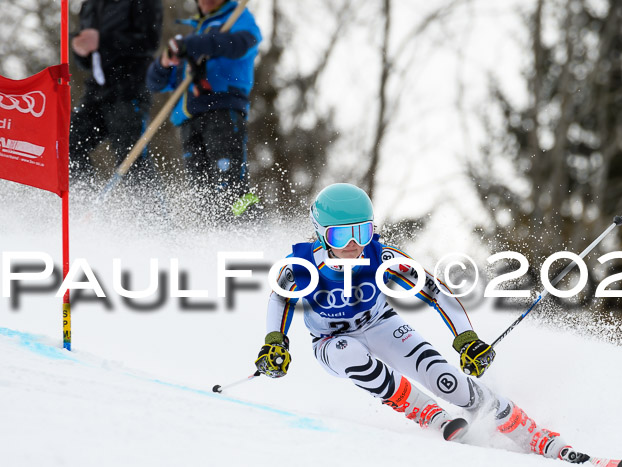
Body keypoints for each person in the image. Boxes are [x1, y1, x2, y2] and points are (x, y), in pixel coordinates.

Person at [255, 183, 594, 464]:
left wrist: (467, 339)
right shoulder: (302, 264)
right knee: (349, 353)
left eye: (362, 231)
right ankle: (428, 414)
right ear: (321, 234)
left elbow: (435, 291)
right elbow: (280, 298)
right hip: (331, 341)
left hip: (379, 325)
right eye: (342, 236)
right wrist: (275, 342)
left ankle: (534, 435)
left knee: (447, 381)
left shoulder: (381, 256)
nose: (354, 244)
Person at [146, 0, 262, 218]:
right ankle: (212, 240)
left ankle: (250, 230)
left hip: (222, 112)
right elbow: (156, 83)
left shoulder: (238, 17)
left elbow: (241, 44)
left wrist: (196, 44)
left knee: (229, 186)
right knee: (203, 194)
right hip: (189, 121)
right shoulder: (195, 32)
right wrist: (165, 62)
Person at [70, 0, 163, 183]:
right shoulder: (89, 5)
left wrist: (102, 40)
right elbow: (88, 60)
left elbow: (149, 42)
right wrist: (79, 50)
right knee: (67, 145)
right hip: (96, 90)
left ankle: (149, 211)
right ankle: (81, 202)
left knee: (131, 158)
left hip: (130, 89)